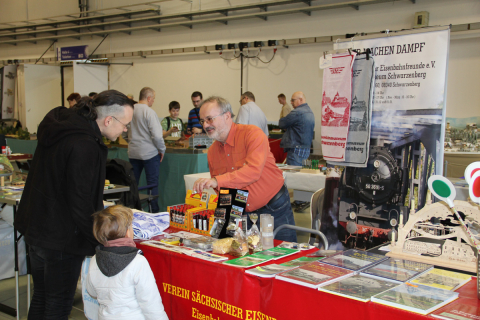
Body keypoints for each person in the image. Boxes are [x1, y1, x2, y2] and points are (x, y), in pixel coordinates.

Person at [15, 90, 134, 319]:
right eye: (125, 124)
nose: (125, 130)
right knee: (57, 304)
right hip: (62, 236)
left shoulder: (61, 128)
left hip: (37, 228)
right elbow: (80, 203)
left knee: (41, 296)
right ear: (108, 120)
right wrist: (101, 238)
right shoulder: (84, 144)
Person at [192, 96, 297, 242]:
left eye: (210, 119)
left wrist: (217, 181)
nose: (205, 125)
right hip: (244, 213)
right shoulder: (212, 152)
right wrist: (222, 234)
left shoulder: (252, 134)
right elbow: (227, 192)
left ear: (227, 116)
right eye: (202, 121)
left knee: (285, 259)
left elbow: (253, 171)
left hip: (274, 209)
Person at [86, 205, 169, 320]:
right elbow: (151, 304)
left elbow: (92, 291)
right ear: (127, 233)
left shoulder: (95, 259)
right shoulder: (138, 262)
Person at [124, 87, 165, 213]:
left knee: (133, 184)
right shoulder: (149, 112)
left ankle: (132, 210)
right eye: (153, 99)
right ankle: (153, 212)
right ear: (148, 98)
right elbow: (157, 135)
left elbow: (124, 132)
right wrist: (162, 149)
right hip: (149, 154)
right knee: (152, 184)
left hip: (133, 152)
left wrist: (131, 141)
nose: (153, 101)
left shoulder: (130, 111)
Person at [279, 91, 315, 166]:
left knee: (293, 176)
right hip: (306, 150)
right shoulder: (310, 112)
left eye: (293, 100)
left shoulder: (297, 112)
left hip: (296, 150)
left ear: (301, 100)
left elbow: (282, 123)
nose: (291, 102)